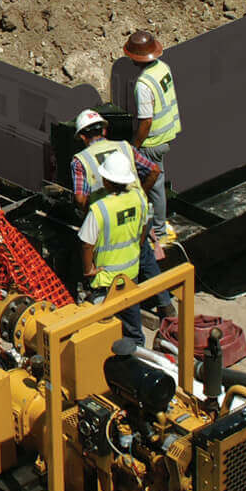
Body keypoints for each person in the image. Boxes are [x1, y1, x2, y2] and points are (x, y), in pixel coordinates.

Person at [71, 108, 175, 320]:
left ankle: (113, 308)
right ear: (104, 131)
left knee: (108, 263)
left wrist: (90, 213)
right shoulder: (124, 147)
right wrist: (140, 194)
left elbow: (80, 199)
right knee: (143, 254)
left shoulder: (80, 161)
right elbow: (154, 170)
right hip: (138, 212)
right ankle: (165, 305)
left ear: (82, 136)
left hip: (107, 219)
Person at [77, 150, 148, 346]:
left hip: (105, 279)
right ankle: (138, 354)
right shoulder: (139, 198)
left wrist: (88, 269)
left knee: (97, 328)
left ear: (107, 181)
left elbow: (86, 243)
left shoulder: (100, 208)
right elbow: (144, 228)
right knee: (133, 326)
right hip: (130, 273)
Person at [124, 30, 181, 251]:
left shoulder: (143, 85)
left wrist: (134, 146)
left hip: (152, 142)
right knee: (158, 182)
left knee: (152, 186)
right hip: (166, 136)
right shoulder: (163, 69)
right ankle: (158, 224)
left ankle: (157, 230)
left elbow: (146, 121)